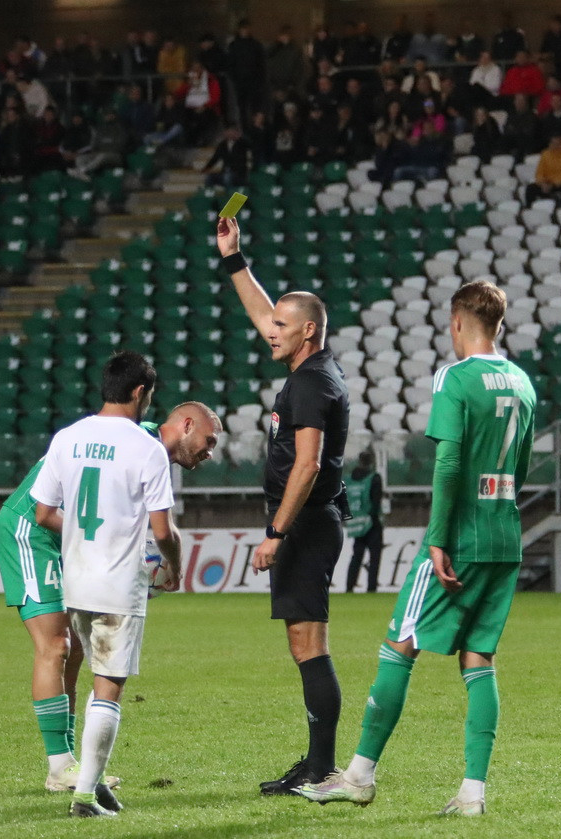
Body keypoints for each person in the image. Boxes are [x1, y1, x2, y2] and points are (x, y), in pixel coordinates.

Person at [298, 280, 536, 817]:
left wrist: (437, 538)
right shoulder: (523, 382)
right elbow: (521, 465)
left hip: (462, 535)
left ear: (457, 323)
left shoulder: (456, 377)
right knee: (479, 658)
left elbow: (448, 464)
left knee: (400, 643)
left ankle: (358, 775)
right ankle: (472, 794)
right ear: (499, 324)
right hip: (505, 534)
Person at [0, 398, 220, 796]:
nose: (210, 452)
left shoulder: (141, 444)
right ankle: (60, 766)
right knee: (55, 646)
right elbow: (154, 530)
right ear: (186, 425)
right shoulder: (138, 442)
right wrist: (164, 562)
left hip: (64, 536)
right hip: (31, 531)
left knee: (76, 649)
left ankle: (69, 763)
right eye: (209, 440)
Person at [217, 215, 351, 796]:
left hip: (306, 524)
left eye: (282, 326)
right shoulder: (311, 369)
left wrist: (276, 532)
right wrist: (234, 258)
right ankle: (317, 763)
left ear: (308, 331)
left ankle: (322, 768)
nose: (270, 332)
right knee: (304, 643)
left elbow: (308, 464)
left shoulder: (311, 384)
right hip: (309, 522)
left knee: (309, 645)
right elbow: (262, 313)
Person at [31, 352, 184, 818]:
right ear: (140, 392)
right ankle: (83, 797)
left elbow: (43, 512)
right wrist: (174, 565)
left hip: (76, 580)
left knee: (95, 678)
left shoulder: (67, 437)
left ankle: (93, 784)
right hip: (118, 583)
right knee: (108, 689)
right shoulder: (146, 448)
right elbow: (163, 530)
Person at [345, 450, 383, 593]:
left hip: (356, 523)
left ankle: (349, 587)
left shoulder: (350, 479)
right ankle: (371, 588)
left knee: (356, 555)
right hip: (371, 522)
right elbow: (376, 501)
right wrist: (374, 518)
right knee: (374, 557)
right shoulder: (374, 478)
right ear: (371, 462)